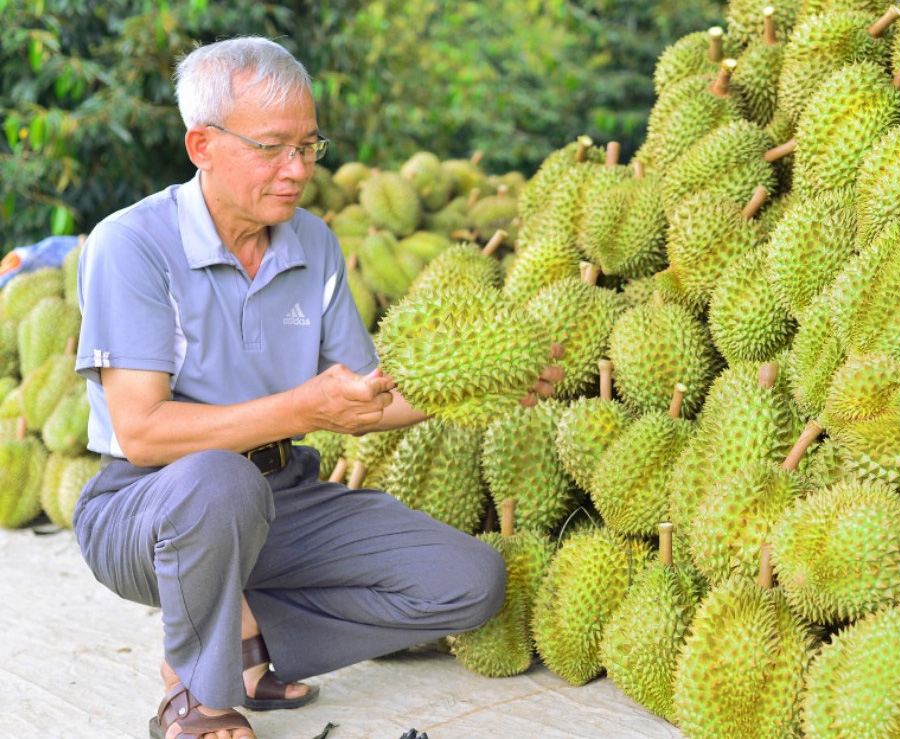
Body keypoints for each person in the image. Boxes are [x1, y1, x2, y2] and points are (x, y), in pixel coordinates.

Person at [71, 37, 561, 739]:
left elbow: (367, 396)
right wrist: (302, 406)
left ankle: (245, 643)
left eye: (309, 146)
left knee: (469, 580)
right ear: (202, 144)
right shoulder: (133, 244)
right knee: (217, 481)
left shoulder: (313, 243)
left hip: (281, 495)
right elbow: (143, 430)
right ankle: (197, 701)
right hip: (148, 507)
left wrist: (486, 381)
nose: (297, 169)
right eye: (273, 148)